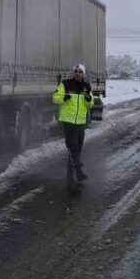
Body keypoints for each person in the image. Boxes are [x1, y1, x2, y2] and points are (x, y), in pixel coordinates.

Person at [53, 63, 96, 191]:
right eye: (76, 71)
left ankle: (70, 174)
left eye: (80, 72)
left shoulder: (86, 87)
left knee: (77, 148)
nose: (78, 73)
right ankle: (78, 171)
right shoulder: (65, 84)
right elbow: (55, 98)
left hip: (80, 123)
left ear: (84, 73)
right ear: (73, 73)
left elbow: (90, 104)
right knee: (73, 146)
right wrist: (63, 98)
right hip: (68, 122)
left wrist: (88, 99)